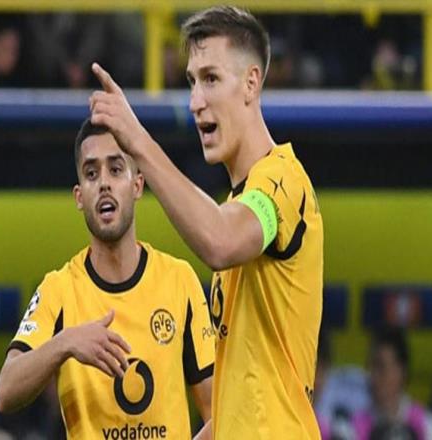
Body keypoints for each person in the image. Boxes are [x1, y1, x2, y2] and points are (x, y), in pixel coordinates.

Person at [89, 5, 323, 439]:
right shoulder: (237, 204)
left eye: (211, 79)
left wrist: (139, 143)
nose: (196, 101)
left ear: (251, 82)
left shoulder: (284, 183)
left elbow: (219, 240)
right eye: (192, 81)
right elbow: (241, 406)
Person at [0, 118, 214, 439]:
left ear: (137, 185)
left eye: (115, 169)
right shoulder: (59, 289)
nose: (104, 184)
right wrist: (65, 343)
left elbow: (219, 411)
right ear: (79, 196)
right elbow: (6, 391)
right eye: (91, 173)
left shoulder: (179, 280)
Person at [352, 326, 432, 440]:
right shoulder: (355, 426)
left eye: (381, 367)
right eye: (370, 367)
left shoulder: (425, 424)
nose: (373, 375)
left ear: (401, 372)